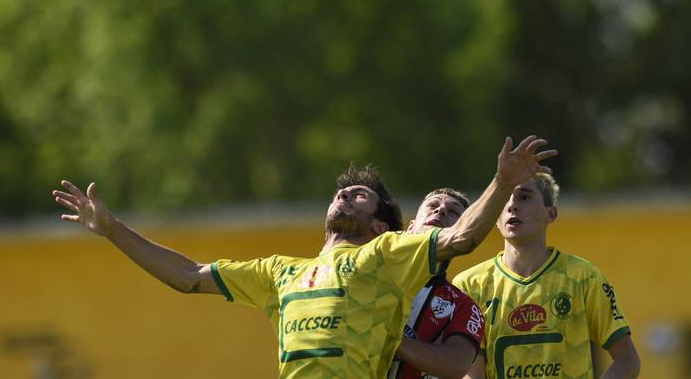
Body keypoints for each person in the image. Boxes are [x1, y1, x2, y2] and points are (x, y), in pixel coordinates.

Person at [52, 135, 556, 379]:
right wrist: (112, 229)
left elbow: (461, 240)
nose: (345, 196)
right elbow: (186, 276)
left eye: (361, 195)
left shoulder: (386, 255)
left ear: (382, 225)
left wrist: (502, 182)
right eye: (342, 193)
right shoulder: (280, 272)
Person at [453, 173, 641, 379]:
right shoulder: (470, 285)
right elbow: (471, 372)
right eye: (505, 198)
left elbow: (627, 359)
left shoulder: (584, 277)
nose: (512, 206)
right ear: (496, 218)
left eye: (524, 197)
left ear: (550, 214)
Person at [388, 188, 486, 379]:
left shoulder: (463, 306)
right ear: (410, 227)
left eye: (453, 212)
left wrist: (388, 336)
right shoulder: (373, 273)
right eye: (433, 205)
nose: (440, 211)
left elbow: (455, 366)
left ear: (462, 232)